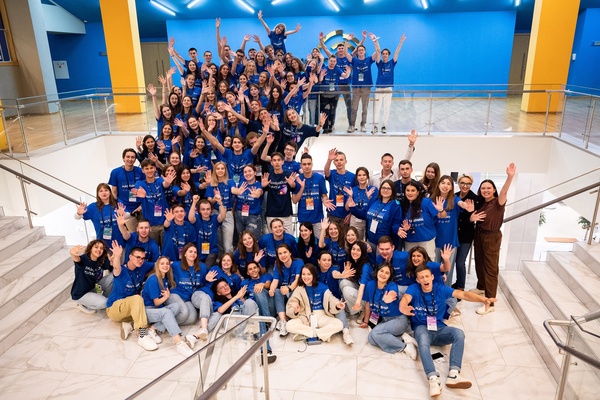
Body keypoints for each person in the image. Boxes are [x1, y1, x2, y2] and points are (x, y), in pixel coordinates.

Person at [400, 264, 497, 397]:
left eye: (427, 276)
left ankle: (454, 374)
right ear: (417, 280)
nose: (425, 279)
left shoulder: (440, 289)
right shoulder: (414, 288)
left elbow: (463, 294)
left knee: (458, 333)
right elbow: (406, 298)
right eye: (421, 277)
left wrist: (483, 299)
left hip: (439, 328)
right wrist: (403, 306)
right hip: (422, 328)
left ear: (432, 277)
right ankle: (433, 379)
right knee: (422, 339)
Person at [470, 163, 516, 315]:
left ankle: (490, 302)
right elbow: (474, 216)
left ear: (494, 190)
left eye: (489, 188)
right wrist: (472, 219)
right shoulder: (482, 203)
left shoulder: (498, 202)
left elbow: (504, 191)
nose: (486, 190)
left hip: (491, 236)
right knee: (479, 262)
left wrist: (509, 177)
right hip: (479, 234)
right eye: (483, 188)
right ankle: (481, 287)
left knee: (490, 268)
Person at [105, 242, 157, 351]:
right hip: (115, 308)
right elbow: (116, 267)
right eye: (138, 257)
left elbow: (158, 264)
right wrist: (117, 256)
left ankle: (129, 325)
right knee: (138, 299)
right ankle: (142, 336)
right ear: (130, 256)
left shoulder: (142, 266)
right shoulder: (121, 270)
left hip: (130, 308)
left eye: (143, 258)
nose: (140, 260)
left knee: (147, 307)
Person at [141, 257, 196, 357]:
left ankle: (153, 328)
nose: (165, 265)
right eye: (162, 263)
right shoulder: (153, 279)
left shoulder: (164, 279)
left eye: (167, 263)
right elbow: (156, 302)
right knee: (167, 312)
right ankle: (179, 343)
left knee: (176, 306)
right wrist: (166, 297)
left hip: (158, 310)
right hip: (148, 310)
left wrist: (166, 297)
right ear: (157, 265)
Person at [362, 263, 416, 358]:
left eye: (387, 273)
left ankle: (405, 347)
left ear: (390, 276)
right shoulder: (370, 285)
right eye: (381, 271)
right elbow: (367, 305)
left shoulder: (392, 285)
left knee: (376, 333)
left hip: (398, 319)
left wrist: (389, 297)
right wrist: (366, 321)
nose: (383, 274)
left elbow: (393, 293)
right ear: (377, 271)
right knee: (371, 339)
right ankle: (402, 338)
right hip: (384, 320)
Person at [430, 175, 475, 287]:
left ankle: (446, 292)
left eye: (448, 184)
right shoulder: (431, 200)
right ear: (438, 184)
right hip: (434, 241)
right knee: (434, 269)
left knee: (447, 271)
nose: (445, 186)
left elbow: (461, 203)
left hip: (450, 241)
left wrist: (465, 206)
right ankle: (434, 291)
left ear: (451, 187)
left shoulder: (454, 199)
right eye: (443, 183)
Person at [285, 264, 344, 342]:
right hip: (305, 317)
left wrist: (337, 305)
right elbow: (291, 304)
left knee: (339, 324)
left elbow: (332, 299)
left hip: (321, 316)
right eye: (303, 274)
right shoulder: (299, 289)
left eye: (309, 274)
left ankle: (308, 334)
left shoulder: (323, 287)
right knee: (289, 325)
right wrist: (295, 310)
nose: (306, 277)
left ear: (313, 275)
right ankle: (320, 334)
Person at [169, 243, 217, 333]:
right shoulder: (176, 265)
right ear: (184, 253)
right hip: (176, 295)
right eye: (190, 251)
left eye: (195, 252)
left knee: (192, 318)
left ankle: (166, 321)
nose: (193, 254)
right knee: (184, 313)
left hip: (188, 298)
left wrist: (206, 279)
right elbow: (161, 267)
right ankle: (157, 325)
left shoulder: (202, 267)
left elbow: (203, 283)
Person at [347, 179, 402, 250]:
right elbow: (364, 214)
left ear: (393, 191)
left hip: (384, 244)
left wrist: (397, 229)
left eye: (388, 188)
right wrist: (353, 208)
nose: (385, 190)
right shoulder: (374, 200)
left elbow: (396, 223)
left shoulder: (395, 206)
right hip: (370, 240)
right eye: (383, 188)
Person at [134, 159, 177, 246]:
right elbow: (137, 192)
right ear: (143, 170)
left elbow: (165, 184)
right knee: (154, 248)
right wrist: (141, 195)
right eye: (146, 168)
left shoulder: (159, 180)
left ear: (155, 169)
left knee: (166, 247)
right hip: (151, 224)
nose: (149, 170)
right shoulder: (140, 184)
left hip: (164, 222)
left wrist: (168, 182)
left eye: (151, 168)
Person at [292, 153, 334, 239]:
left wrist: (325, 200)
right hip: (304, 219)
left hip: (317, 219)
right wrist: (301, 188)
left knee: (319, 243)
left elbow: (324, 195)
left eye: (309, 164)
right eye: (304, 164)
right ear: (301, 165)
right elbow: (294, 200)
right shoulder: (297, 179)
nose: (307, 166)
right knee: (305, 244)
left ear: (312, 164)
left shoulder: (319, 178)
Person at [316, 251, 354, 344]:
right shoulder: (315, 271)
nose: (327, 262)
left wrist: (342, 275)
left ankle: (346, 332)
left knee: (339, 309)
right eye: (324, 260)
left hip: (333, 300)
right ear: (319, 261)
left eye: (329, 260)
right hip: (320, 302)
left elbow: (335, 274)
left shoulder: (332, 269)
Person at [400, 182, 445, 259]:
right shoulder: (403, 204)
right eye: (408, 190)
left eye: (413, 190)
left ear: (418, 192)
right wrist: (404, 229)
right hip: (410, 241)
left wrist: (441, 210)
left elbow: (442, 216)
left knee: (428, 263)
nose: (410, 193)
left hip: (426, 240)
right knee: (411, 263)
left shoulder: (426, 202)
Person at [372, 34, 406, 134]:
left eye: (386, 54)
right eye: (383, 54)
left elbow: (397, 52)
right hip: (379, 89)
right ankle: (375, 126)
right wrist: (375, 42)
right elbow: (377, 52)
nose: (384, 55)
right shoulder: (379, 63)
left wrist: (401, 42)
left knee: (386, 109)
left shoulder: (392, 63)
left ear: (388, 55)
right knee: (377, 108)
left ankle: (384, 126)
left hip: (388, 89)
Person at [346, 32, 379, 133]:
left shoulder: (369, 60)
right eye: (359, 50)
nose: (360, 51)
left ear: (364, 51)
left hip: (366, 88)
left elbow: (378, 51)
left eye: (362, 50)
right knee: (354, 108)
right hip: (356, 88)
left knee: (365, 108)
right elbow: (346, 53)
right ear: (357, 52)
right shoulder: (354, 61)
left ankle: (363, 124)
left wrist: (375, 41)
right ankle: (352, 125)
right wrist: (347, 41)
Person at [69, 240, 113, 314]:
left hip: (94, 288)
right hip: (81, 294)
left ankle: (98, 298)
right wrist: (72, 253)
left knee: (113, 277)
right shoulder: (84, 259)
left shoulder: (101, 261)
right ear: (90, 248)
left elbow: (114, 270)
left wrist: (114, 261)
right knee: (105, 303)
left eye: (101, 248)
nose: (99, 249)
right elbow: (76, 259)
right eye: (96, 247)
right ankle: (85, 305)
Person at [268, 244, 303, 337]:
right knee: (277, 291)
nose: (283, 255)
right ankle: (283, 321)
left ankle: (291, 317)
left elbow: (297, 279)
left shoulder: (298, 262)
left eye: (285, 252)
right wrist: (271, 289)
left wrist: (289, 288)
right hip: (284, 292)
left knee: (294, 291)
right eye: (280, 254)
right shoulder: (278, 265)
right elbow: (275, 280)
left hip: (295, 290)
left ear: (290, 253)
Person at [75, 183, 124, 247]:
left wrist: (123, 214)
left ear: (110, 192)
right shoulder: (93, 207)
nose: (104, 193)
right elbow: (77, 217)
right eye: (101, 191)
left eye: (106, 190)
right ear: (98, 194)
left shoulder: (118, 203)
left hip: (120, 241)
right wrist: (79, 213)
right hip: (102, 244)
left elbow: (127, 215)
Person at [261, 150, 298, 234]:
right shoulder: (268, 176)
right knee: (273, 238)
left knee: (288, 238)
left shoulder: (288, 175)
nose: (277, 162)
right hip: (271, 213)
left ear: (282, 162)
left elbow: (293, 189)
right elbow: (263, 190)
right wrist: (263, 186)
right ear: (271, 163)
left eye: (278, 160)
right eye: (274, 160)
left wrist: (292, 184)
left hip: (286, 213)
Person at [108, 148, 144, 231]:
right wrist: (117, 207)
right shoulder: (115, 172)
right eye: (128, 157)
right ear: (123, 158)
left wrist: (141, 206)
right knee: (133, 233)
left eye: (132, 157)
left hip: (140, 207)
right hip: (126, 210)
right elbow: (114, 192)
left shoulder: (140, 171)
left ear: (135, 159)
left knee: (144, 231)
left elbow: (145, 189)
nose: (130, 159)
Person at [454, 174, 478, 291]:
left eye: (468, 184)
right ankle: (457, 282)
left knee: (460, 262)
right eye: (462, 183)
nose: (465, 186)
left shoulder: (475, 198)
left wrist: (471, 217)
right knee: (452, 261)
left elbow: (476, 217)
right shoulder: (455, 196)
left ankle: (461, 288)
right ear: (458, 183)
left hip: (466, 235)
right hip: (453, 234)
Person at [205, 161, 236, 255]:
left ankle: (229, 261)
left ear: (225, 170)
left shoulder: (230, 182)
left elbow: (233, 191)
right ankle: (219, 261)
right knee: (218, 242)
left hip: (228, 213)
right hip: (215, 213)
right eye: (218, 169)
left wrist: (238, 191)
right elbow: (209, 201)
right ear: (215, 171)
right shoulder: (211, 184)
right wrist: (215, 199)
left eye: (222, 168)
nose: (220, 170)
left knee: (228, 244)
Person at [188, 196, 226, 269]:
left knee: (206, 268)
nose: (205, 211)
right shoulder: (197, 219)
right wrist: (194, 203)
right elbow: (190, 218)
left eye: (208, 209)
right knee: (199, 269)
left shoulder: (214, 218)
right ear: (199, 211)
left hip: (212, 250)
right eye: (203, 209)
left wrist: (220, 203)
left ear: (211, 210)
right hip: (198, 251)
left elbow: (223, 216)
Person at [231, 164, 264, 238]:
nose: (247, 173)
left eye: (249, 171)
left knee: (251, 239)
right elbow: (235, 198)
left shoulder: (258, 184)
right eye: (245, 172)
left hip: (253, 216)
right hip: (239, 214)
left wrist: (257, 194)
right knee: (242, 239)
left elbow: (259, 192)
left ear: (255, 172)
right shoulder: (240, 184)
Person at [323, 148, 355, 226]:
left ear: (346, 161)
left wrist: (351, 214)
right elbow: (326, 171)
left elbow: (355, 196)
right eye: (336, 160)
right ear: (334, 162)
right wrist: (329, 160)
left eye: (341, 160)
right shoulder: (332, 174)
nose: (339, 162)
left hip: (346, 215)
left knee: (345, 234)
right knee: (332, 233)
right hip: (332, 213)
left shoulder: (353, 177)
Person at [344, 166, 378, 240]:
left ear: (367, 176)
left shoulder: (373, 190)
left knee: (369, 242)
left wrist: (369, 198)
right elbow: (347, 208)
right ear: (356, 177)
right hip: (355, 220)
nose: (362, 177)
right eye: (359, 175)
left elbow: (376, 207)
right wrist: (350, 197)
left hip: (369, 219)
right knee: (355, 241)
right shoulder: (353, 190)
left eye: (364, 175)